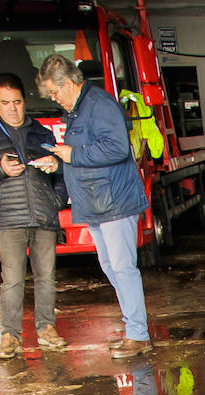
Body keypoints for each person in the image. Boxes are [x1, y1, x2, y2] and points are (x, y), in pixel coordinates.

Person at [37, 53, 152, 359]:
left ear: (70, 83)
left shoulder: (98, 105)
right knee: (112, 267)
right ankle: (133, 329)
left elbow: (116, 148)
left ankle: (138, 335)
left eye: (54, 92)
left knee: (123, 268)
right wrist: (59, 160)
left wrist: (73, 156)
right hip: (98, 202)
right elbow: (84, 151)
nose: (54, 99)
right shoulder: (79, 109)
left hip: (114, 200)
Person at [0, 73, 68, 360]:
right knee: (13, 280)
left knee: (47, 277)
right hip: (10, 217)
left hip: (44, 216)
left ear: (25, 101)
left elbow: (61, 172)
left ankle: (46, 328)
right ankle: (10, 335)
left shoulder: (41, 132)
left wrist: (56, 189)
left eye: (17, 102)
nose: (12, 108)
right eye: (5, 102)